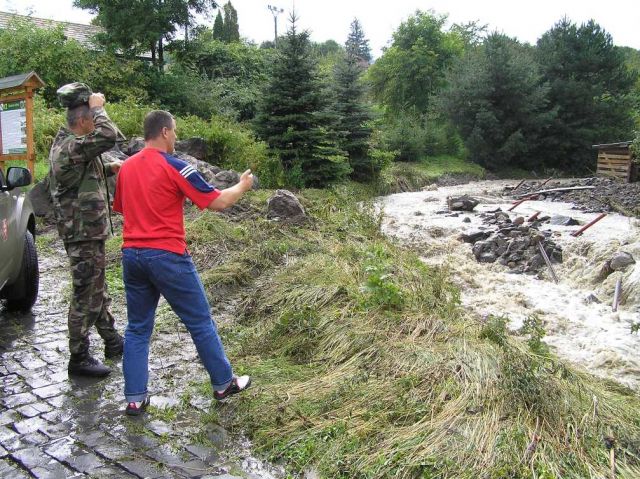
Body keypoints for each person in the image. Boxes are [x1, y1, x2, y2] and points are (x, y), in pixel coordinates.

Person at [113, 110, 253, 416]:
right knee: (200, 321)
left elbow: (122, 207)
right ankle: (223, 383)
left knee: (137, 328)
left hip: (131, 255)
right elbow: (217, 201)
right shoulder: (175, 165)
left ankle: (135, 398)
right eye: (174, 131)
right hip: (167, 255)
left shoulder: (126, 168)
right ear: (164, 132)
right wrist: (242, 185)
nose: (176, 136)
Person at [49, 83, 124, 377]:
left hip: (87, 232)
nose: (95, 124)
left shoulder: (72, 146)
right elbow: (107, 136)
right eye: (92, 119)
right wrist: (98, 107)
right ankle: (78, 357)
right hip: (82, 233)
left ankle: (112, 340)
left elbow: (81, 172)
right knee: (86, 294)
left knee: (97, 289)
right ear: (83, 121)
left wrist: (109, 167)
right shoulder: (70, 146)